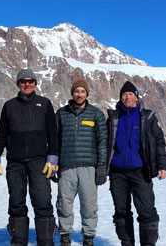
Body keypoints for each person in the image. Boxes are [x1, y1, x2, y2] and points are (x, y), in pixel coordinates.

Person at [0, 69, 59, 246]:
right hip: (15, 162)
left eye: (30, 81)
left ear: (35, 83)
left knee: (43, 201)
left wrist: (52, 158)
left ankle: (45, 241)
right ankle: (19, 240)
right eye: (23, 81)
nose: (27, 84)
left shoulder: (44, 103)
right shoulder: (9, 105)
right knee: (16, 202)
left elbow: (53, 132)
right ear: (18, 84)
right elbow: (2, 134)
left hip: (39, 162)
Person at [106, 81, 166, 246]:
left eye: (130, 94)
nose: (127, 97)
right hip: (117, 172)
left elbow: (159, 141)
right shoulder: (114, 117)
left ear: (136, 97)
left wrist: (162, 165)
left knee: (146, 211)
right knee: (121, 212)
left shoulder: (147, 117)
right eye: (124, 94)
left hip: (141, 171)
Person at [55, 79, 107, 246]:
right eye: (77, 91)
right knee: (64, 204)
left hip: (88, 167)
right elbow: (54, 140)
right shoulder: (61, 114)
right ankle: (65, 236)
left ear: (87, 94)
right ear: (72, 93)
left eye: (82, 92)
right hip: (66, 167)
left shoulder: (96, 114)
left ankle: (88, 237)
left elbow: (102, 141)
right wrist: (53, 163)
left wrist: (101, 166)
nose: (79, 94)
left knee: (89, 205)